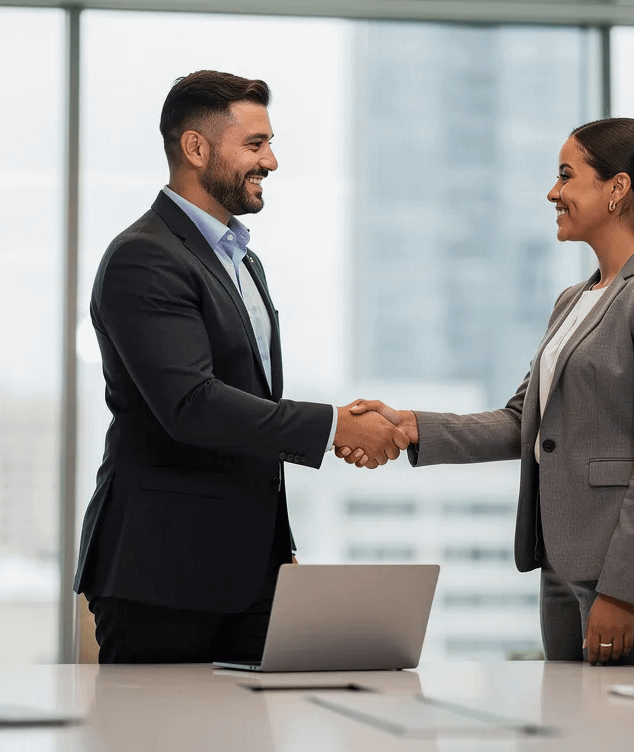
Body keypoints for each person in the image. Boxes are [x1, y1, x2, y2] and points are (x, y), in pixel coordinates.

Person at [340, 118, 634, 671]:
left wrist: (621, 590)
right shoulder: (574, 299)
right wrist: (408, 425)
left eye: (566, 176)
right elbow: (526, 420)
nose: (553, 192)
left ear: (617, 190)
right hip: (564, 565)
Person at [73, 70, 410, 664]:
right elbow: (192, 406)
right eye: (255, 145)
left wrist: (275, 549)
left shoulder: (241, 262)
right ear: (196, 149)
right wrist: (334, 428)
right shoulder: (144, 257)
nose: (272, 161)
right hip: (162, 573)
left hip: (249, 575)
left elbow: (246, 408)